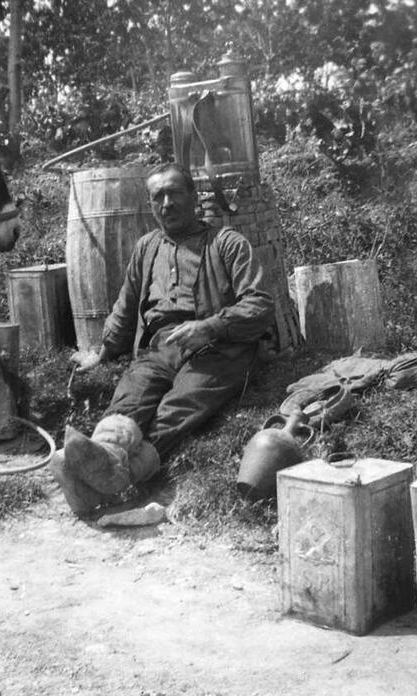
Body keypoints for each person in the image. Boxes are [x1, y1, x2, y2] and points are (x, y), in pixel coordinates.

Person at [50, 162, 275, 514]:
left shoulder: (226, 243)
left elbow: (260, 304)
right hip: (160, 348)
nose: (167, 203)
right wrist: (104, 350)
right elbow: (125, 307)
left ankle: (121, 476)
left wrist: (210, 326)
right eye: (158, 197)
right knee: (133, 392)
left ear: (193, 197)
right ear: (151, 205)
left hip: (216, 348)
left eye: (174, 193)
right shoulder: (146, 248)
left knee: (182, 403)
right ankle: (102, 459)